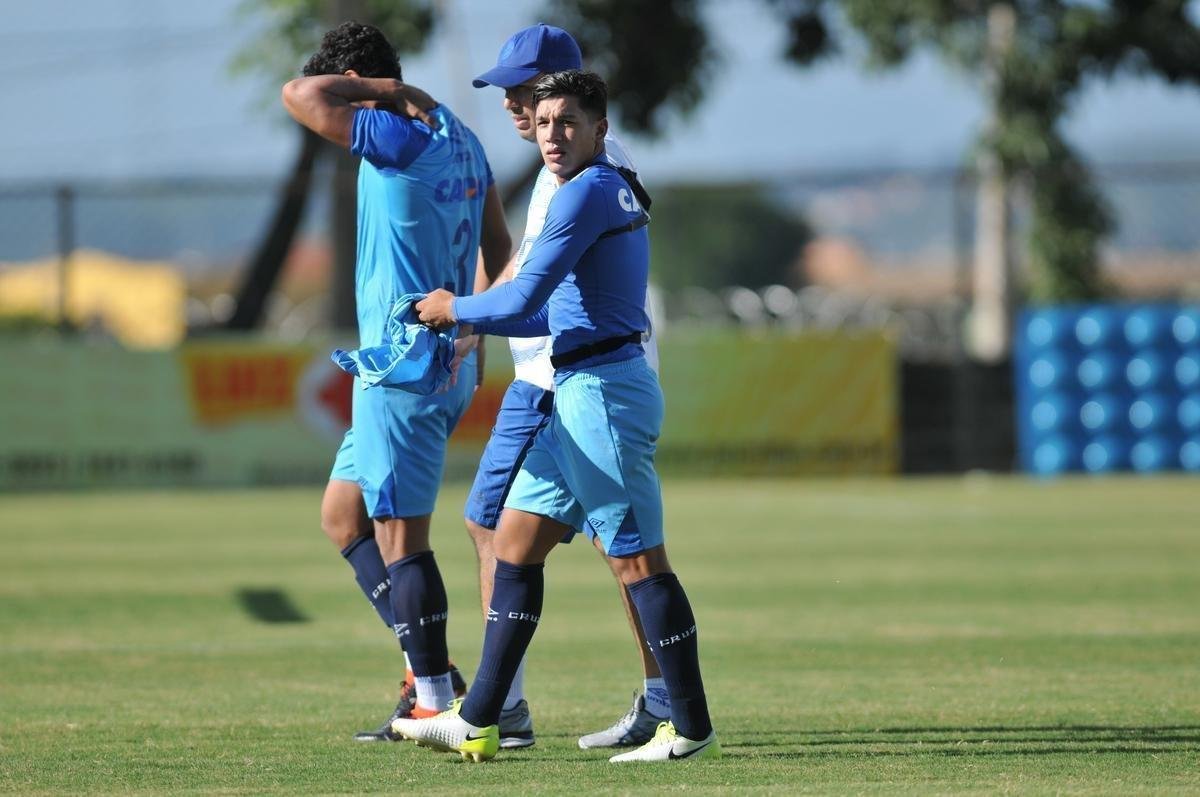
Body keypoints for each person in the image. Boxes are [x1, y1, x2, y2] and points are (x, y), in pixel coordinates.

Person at [394, 70, 720, 763]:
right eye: (543, 123)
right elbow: (543, 306)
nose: (552, 135)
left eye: (568, 121)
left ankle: (689, 726)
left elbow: (521, 298)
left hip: (602, 391)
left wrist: (452, 308)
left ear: (601, 129)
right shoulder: (591, 188)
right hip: (574, 387)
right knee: (512, 542)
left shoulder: (587, 191)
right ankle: (478, 716)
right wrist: (466, 310)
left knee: (636, 558)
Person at [281, 21, 511, 740]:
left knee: (400, 535)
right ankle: (427, 666)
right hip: (439, 365)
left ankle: (436, 699)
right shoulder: (464, 143)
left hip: (402, 369)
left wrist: (384, 91)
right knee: (345, 517)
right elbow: (499, 246)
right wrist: (474, 321)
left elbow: (300, 93)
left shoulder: (396, 133)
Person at [457, 23, 670, 752]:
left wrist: (455, 313)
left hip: (566, 380)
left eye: (525, 89)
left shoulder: (585, 168)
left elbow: (535, 292)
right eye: (514, 96)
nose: (513, 104)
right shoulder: (566, 165)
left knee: (585, 544)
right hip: (558, 376)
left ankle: (497, 708)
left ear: (561, 85)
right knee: (543, 538)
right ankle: (501, 705)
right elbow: (523, 266)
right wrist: (472, 316)